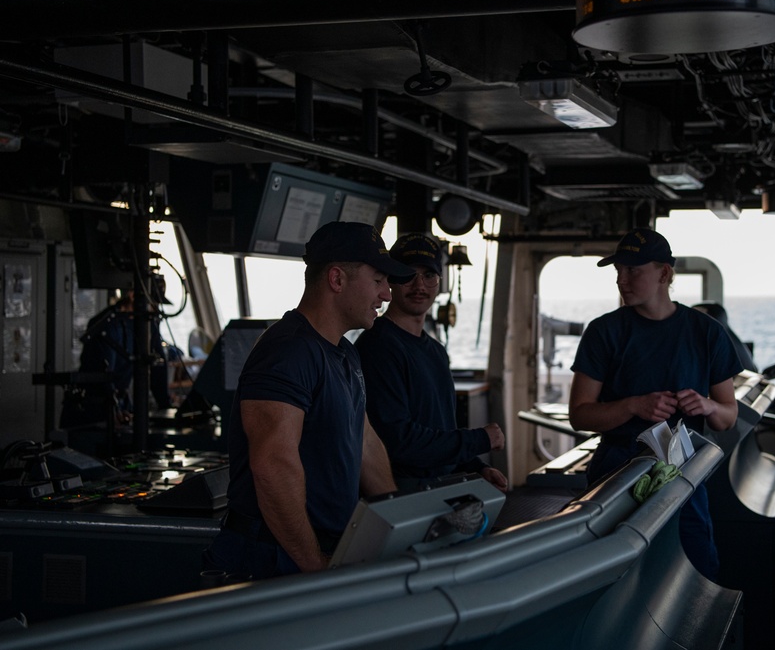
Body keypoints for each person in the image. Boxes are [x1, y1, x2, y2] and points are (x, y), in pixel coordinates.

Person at [203, 221, 414, 579]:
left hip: (319, 548)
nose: (388, 294)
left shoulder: (345, 354)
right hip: (273, 555)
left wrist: (405, 523)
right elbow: (273, 466)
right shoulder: (288, 352)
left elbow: (364, 444)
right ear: (336, 279)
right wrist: (314, 567)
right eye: (378, 280)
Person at [568, 227, 742, 581]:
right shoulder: (604, 332)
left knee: (697, 570)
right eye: (618, 271)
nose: (622, 279)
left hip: (681, 473)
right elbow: (580, 414)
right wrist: (633, 406)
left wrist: (708, 406)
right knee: (610, 577)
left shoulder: (706, 333)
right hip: (615, 473)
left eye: (633, 270)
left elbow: (728, 417)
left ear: (664, 273)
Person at [355, 233, 507, 492]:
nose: (419, 286)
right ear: (391, 279)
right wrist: (478, 440)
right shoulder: (378, 346)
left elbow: (441, 430)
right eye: (407, 274)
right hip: (401, 490)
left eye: (429, 276)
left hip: (440, 486)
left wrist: (475, 467)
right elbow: (398, 441)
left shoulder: (436, 350)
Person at [60, 282, 173, 432]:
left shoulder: (147, 324)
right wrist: (116, 410)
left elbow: (159, 365)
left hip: (120, 404)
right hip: (93, 410)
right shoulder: (108, 325)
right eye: (153, 303)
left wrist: (167, 408)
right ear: (133, 295)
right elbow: (105, 374)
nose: (155, 309)